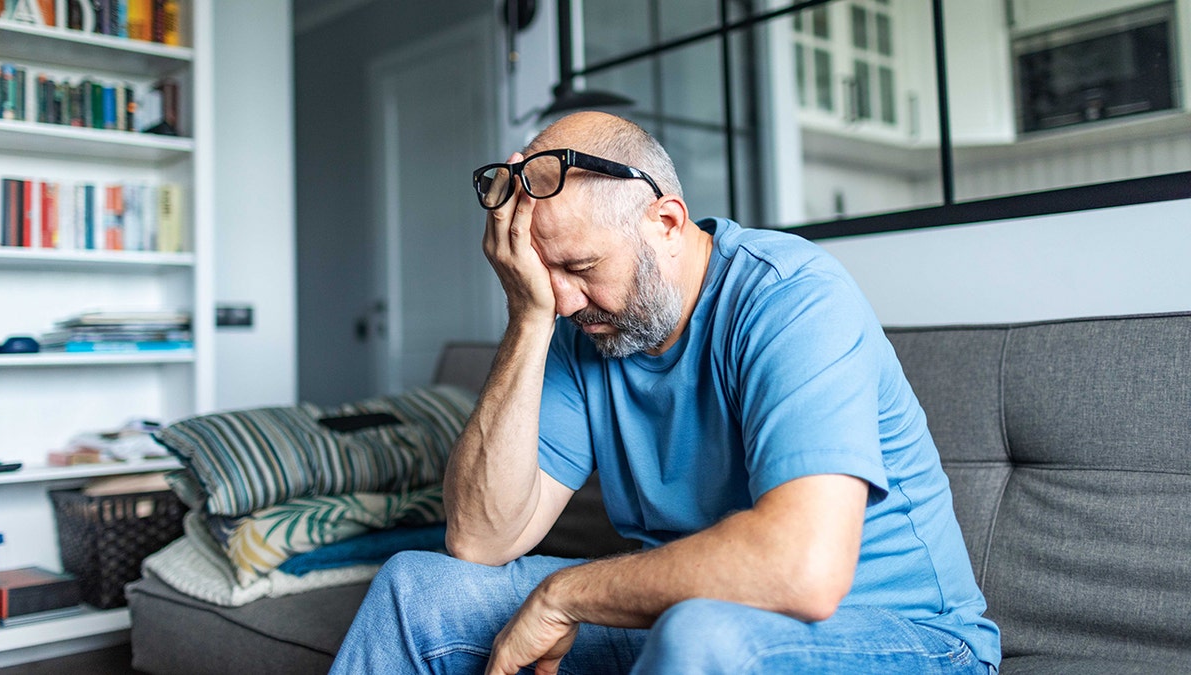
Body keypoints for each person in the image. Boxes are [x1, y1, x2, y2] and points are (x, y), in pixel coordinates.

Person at [331, 111, 1001, 674]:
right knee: (416, 590)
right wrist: (527, 317)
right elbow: (480, 540)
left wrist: (566, 595)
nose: (566, 299)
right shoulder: (578, 326)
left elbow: (803, 568)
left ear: (668, 222)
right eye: (541, 272)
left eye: (581, 266)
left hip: (908, 637)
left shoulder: (791, 298)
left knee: (701, 635)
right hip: (690, 616)